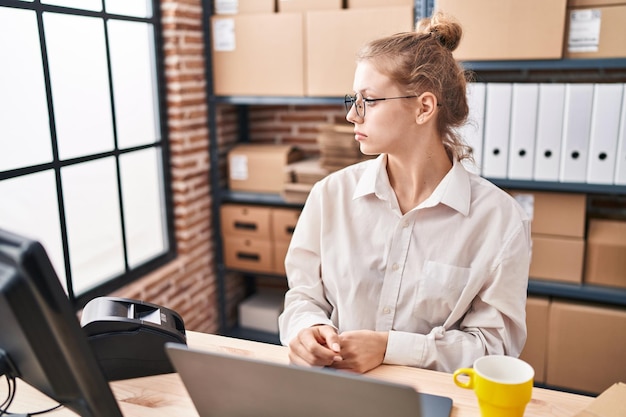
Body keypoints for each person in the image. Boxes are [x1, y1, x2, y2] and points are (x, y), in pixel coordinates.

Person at [278, 12, 531, 374]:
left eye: (369, 100)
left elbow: (496, 347)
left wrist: (390, 348)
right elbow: (302, 296)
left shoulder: (499, 221)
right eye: (352, 99)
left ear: (424, 107)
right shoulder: (329, 195)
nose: (353, 115)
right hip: (335, 388)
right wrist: (306, 329)